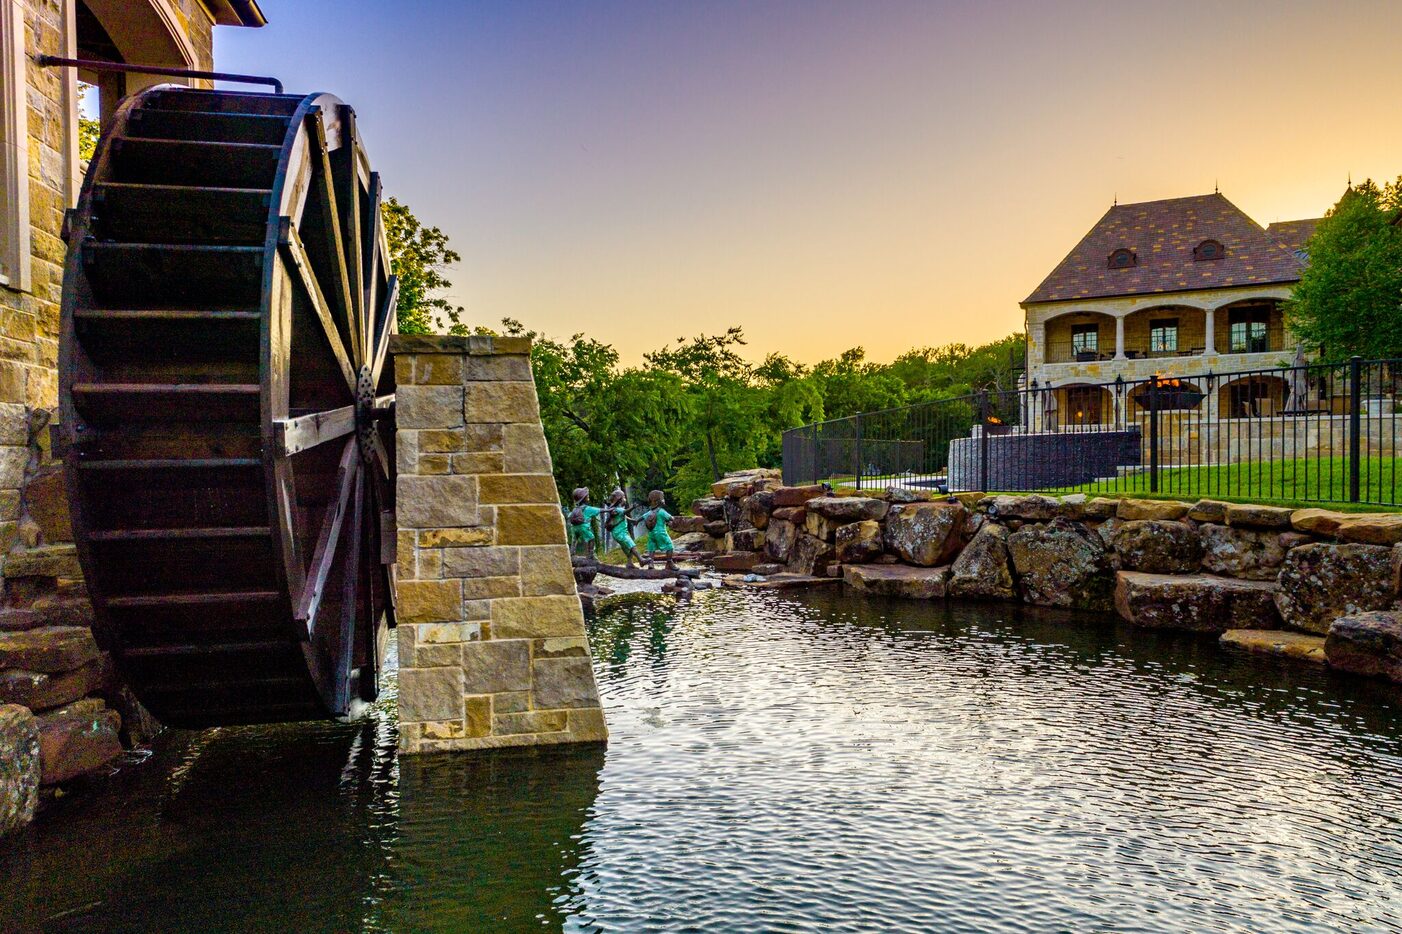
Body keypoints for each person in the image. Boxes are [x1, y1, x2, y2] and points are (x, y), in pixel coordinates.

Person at [602, 487, 646, 568]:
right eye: (624, 497)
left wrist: (633, 520)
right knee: (631, 545)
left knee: (627, 549)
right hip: (620, 533)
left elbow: (625, 516)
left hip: (620, 533)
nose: (625, 499)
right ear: (619, 500)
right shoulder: (618, 509)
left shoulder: (617, 509)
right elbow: (625, 512)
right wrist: (632, 507)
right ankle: (641, 560)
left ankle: (629, 563)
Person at [641, 489, 677, 569]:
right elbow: (671, 518)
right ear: (658, 501)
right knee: (669, 545)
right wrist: (671, 520)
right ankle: (669, 562)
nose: (664, 500)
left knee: (651, 547)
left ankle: (651, 563)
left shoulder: (649, 513)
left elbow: (639, 519)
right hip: (661, 533)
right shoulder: (661, 511)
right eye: (662, 498)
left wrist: (628, 518)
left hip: (651, 534)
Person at [566, 487, 602, 559]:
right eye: (587, 496)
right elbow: (600, 510)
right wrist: (610, 509)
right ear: (583, 498)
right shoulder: (587, 508)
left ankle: (572, 553)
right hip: (584, 527)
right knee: (591, 538)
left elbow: (569, 516)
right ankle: (591, 554)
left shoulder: (575, 508)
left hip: (574, 528)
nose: (588, 496)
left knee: (574, 540)